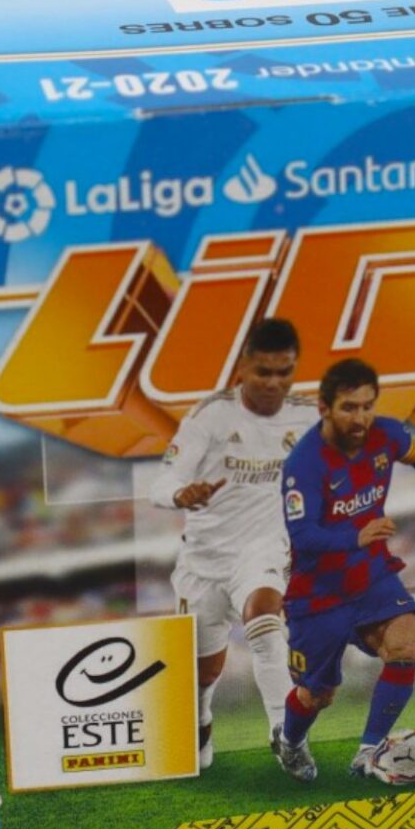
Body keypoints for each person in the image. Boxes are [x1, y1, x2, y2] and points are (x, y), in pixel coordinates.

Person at [274, 358, 415, 784]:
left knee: (405, 644)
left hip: (371, 574)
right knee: (318, 695)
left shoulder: (386, 435)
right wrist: (355, 536)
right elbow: (303, 535)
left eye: (367, 406)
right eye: (348, 408)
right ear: (324, 408)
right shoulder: (304, 465)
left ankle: (369, 751)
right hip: (318, 593)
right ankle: (290, 741)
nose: (360, 418)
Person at [146, 319, 311, 767]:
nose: (274, 383)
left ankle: (287, 735)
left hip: (262, 549)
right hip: (204, 563)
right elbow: (164, 481)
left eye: (284, 372)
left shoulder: (307, 417)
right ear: (242, 367)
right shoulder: (210, 416)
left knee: (265, 618)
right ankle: (200, 720)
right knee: (204, 673)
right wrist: (181, 494)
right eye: (263, 372)